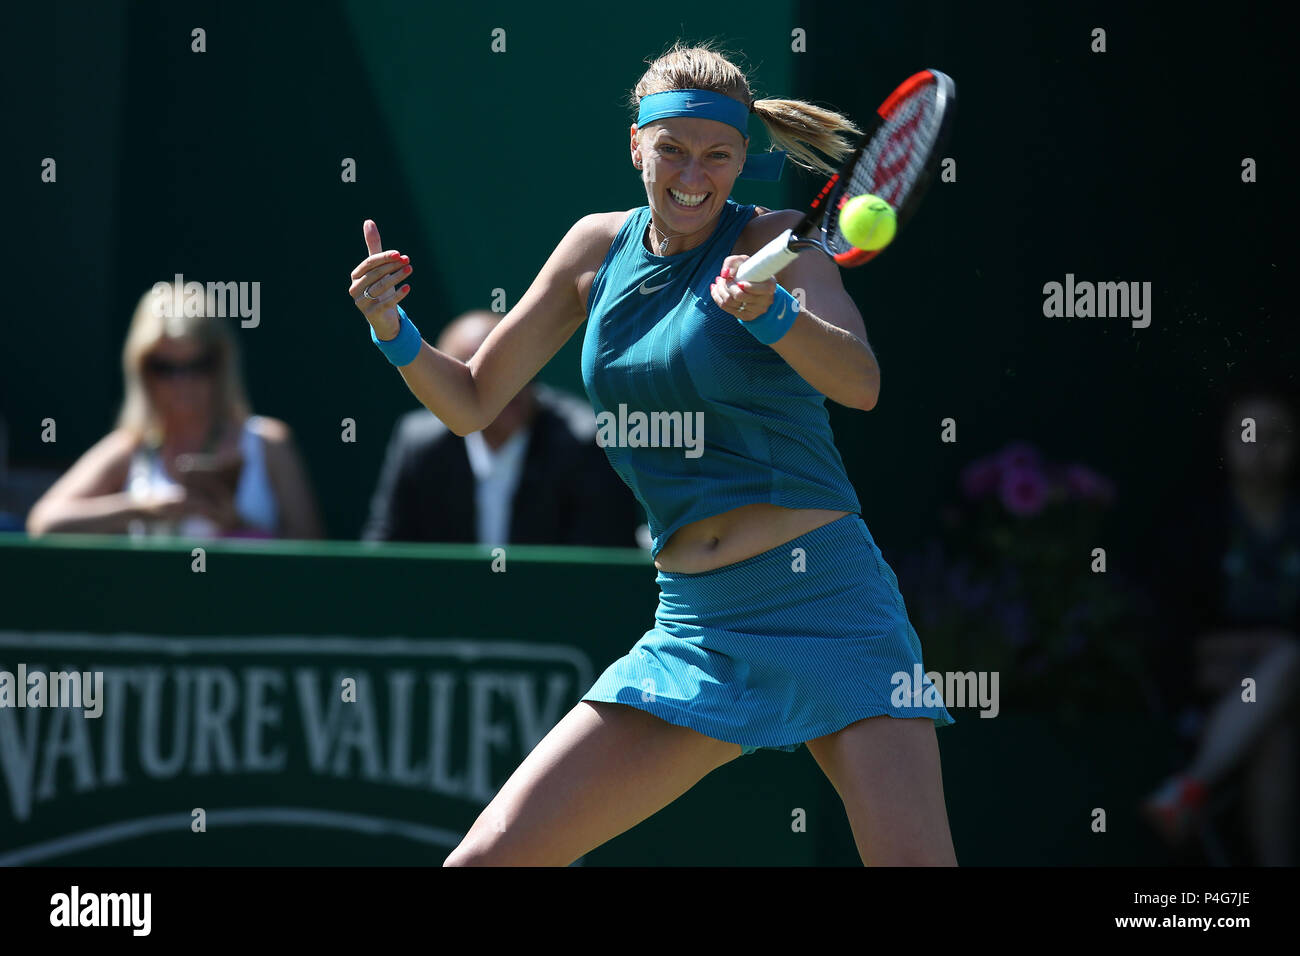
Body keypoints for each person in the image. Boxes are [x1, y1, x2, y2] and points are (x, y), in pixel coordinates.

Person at [349, 40, 956, 866]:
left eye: (718, 155)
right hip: (694, 626)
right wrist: (394, 331)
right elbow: (470, 401)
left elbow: (861, 381)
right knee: (488, 858)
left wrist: (772, 316)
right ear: (637, 142)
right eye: (671, 149)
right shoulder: (593, 252)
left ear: (745, 157)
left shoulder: (785, 239)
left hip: (832, 607)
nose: (692, 176)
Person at [26, 282, 324, 540]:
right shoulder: (130, 447)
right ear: (142, 370)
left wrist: (236, 525)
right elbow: (43, 522)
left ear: (220, 364)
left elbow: (311, 550)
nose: (182, 383)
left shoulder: (269, 443)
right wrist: (144, 509)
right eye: (165, 368)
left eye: (197, 365)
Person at [1143, 386, 1299, 865]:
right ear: (1224, 441)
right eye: (1246, 434)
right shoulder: (1197, 523)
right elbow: (1178, 638)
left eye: (1277, 435)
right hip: (1218, 696)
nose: (1261, 450)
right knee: (1277, 727)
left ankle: (1188, 790)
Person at [362, 310, 642, 546]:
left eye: (508, 369)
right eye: (471, 374)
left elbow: (598, 571)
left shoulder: (586, 443)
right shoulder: (417, 442)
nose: (501, 387)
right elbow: (385, 551)